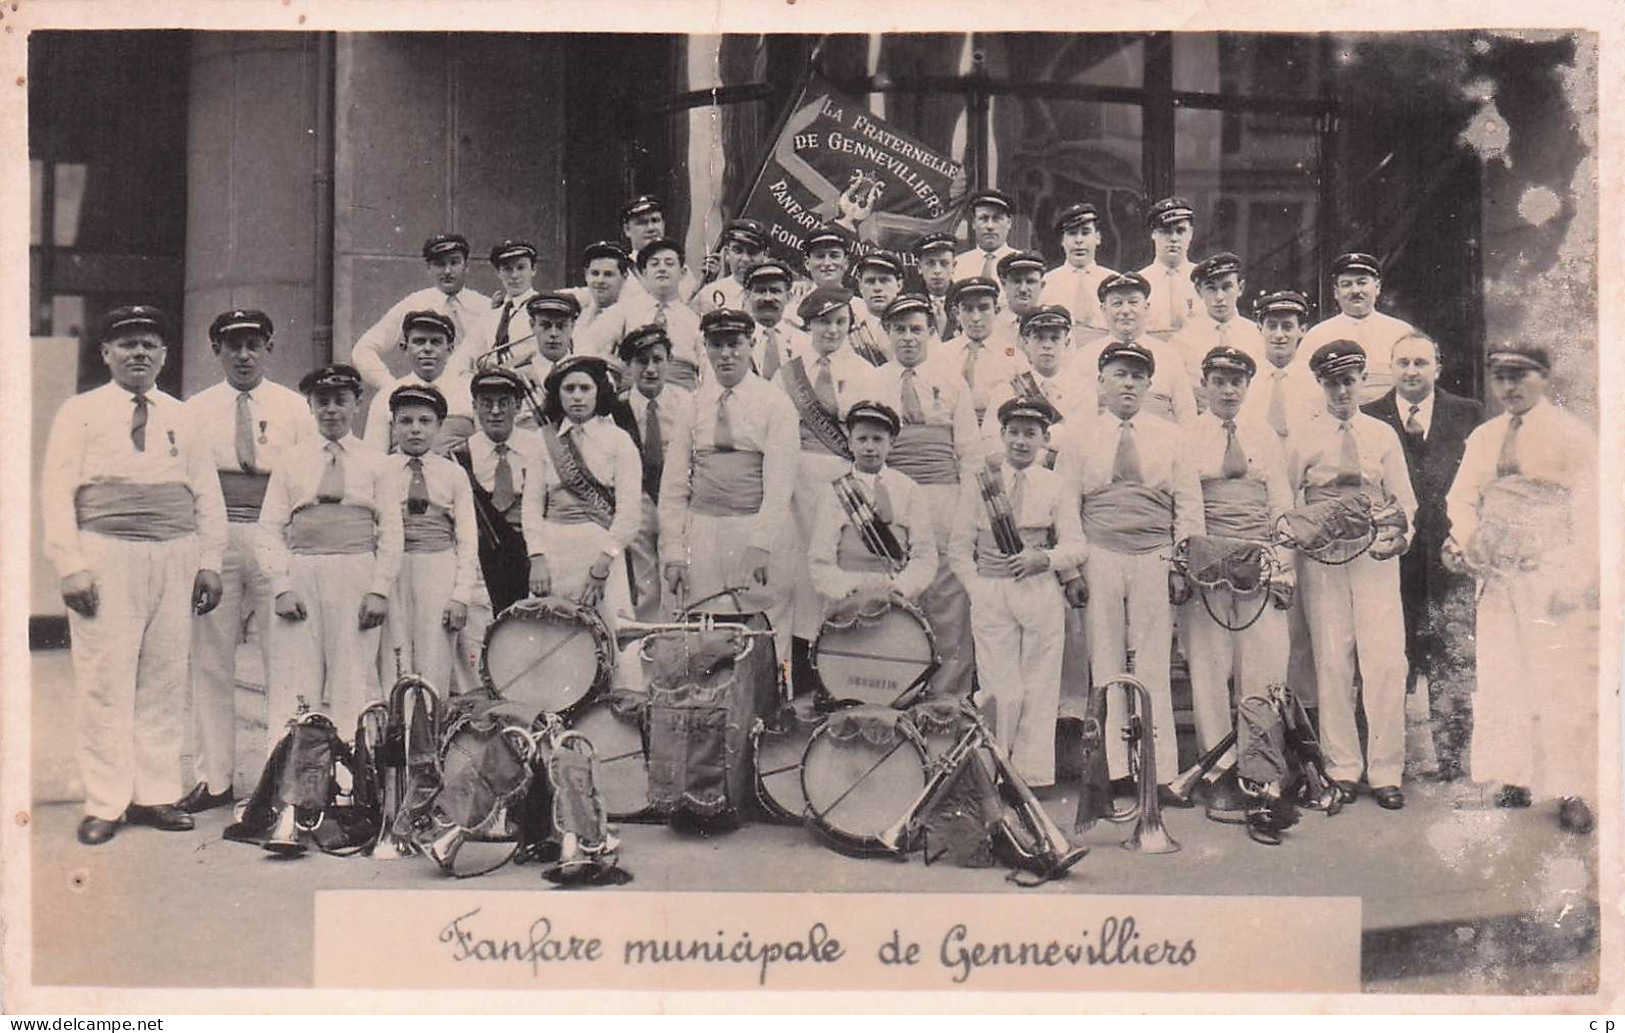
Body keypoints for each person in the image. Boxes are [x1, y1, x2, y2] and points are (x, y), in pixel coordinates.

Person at [42, 305, 227, 845]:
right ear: (106, 354)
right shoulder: (80, 412)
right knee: (106, 678)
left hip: (174, 552)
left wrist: (209, 562)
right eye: (127, 344)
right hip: (106, 553)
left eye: (149, 344)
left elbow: (205, 494)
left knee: (165, 677)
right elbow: (57, 493)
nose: (139, 353)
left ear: (164, 355)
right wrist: (70, 566)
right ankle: (107, 800)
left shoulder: (183, 415)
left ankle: (156, 793)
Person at [1444, 345, 1598, 833]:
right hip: (1497, 575)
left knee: (1557, 678)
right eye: (1499, 377)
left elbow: (1592, 513)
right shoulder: (1484, 436)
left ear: (1544, 376)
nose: (1508, 387)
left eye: (1519, 376)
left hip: (1547, 569)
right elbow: (1462, 497)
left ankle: (1570, 788)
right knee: (1501, 675)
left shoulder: (1572, 436)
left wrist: (1574, 577)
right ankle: (1511, 777)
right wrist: (1468, 541)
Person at [179, 308, 315, 814]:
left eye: (253, 344)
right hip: (216, 536)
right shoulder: (194, 410)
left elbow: (309, 473)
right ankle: (213, 779)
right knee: (211, 659)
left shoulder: (295, 407)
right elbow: (191, 482)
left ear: (269, 347)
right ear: (216, 350)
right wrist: (203, 552)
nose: (243, 355)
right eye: (232, 345)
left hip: (274, 536)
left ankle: (276, 781)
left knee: (285, 657)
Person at [1056, 340, 1203, 796]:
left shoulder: (1172, 436)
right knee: (1105, 660)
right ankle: (1114, 770)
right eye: (1119, 374)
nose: (1128, 383)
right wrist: (1072, 571)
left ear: (1148, 385)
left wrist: (1180, 563)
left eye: (1137, 376)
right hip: (1100, 553)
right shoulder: (1078, 437)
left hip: (1154, 554)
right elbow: (1065, 506)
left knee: (1153, 661)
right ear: (1101, 382)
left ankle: (1158, 774)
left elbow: (1188, 503)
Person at [1289, 341, 1416, 810]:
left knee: (1384, 661)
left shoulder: (1382, 435)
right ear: (1320, 384)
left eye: (1349, 380)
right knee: (1331, 659)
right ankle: (1342, 768)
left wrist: (1399, 535)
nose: (1341, 390)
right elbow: (1288, 499)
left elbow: (1404, 498)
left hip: (1374, 555)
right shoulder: (1303, 436)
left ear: (1363, 381)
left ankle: (1386, 771)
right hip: (1323, 558)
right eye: (1331, 382)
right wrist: (1305, 536)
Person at [257, 364, 403, 744]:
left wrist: (379, 590)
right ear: (310, 405)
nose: (332, 410)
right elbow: (270, 528)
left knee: (352, 679)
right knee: (295, 683)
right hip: (303, 571)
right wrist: (281, 586)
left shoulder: (377, 463)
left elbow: (391, 532)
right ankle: (289, 786)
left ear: (357, 403)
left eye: (341, 400)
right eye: (322, 401)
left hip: (356, 572)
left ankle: (348, 784)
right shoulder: (291, 461)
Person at [1361, 332, 1484, 780]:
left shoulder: (1468, 415)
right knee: (1388, 658)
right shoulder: (1369, 416)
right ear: (1390, 369)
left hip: (1450, 558)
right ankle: (1380, 765)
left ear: (1438, 367)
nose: (1411, 372)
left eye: (1420, 363)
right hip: (1390, 560)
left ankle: (1453, 762)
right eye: (1403, 363)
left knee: (1452, 656)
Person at [949, 396, 1087, 788]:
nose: (1021, 442)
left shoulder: (1056, 485)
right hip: (992, 591)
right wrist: (978, 588)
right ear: (1002, 435)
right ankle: (994, 771)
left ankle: (1031, 776)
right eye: (1013, 432)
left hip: (1040, 590)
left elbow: (1077, 546)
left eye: (1031, 434)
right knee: (999, 689)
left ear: (1045, 439)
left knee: (1040, 686)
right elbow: (959, 549)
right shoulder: (981, 483)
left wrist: (1043, 560)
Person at [1176, 347, 1294, 778]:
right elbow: (1186, 504)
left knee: (1262, 669)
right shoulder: (1187, 436)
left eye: (1237, 381)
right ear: (1205, 385)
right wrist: (1188, 564)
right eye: (1219, 381)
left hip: (1259, 562)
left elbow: (1281, 504)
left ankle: (1259, 767)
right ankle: (1218, 769)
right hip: (1209, 563)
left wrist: (1283, 569)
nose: (1228, 390)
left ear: (1247, 386)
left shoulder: (1263, 436)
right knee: (1208, 669)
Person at [659, 307, 800, 659]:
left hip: (754, 532)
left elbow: (780, 485)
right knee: (700, 632)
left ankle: (767, 708)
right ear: (704, 347)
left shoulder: (775, 403)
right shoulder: (692, 405)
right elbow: (674, 487)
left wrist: (761, 544)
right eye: (716, 344)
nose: (726, 354)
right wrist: (675, 553)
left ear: (751, 343)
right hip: (702, 534)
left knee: (762, 634)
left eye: (734, 343)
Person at [870, 294, 982, 699]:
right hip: (893, 498)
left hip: (943, 497)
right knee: (895, 593)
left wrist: (966, 512)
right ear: (887, 334)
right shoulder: (874, 380)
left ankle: (947, 700)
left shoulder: (951, 380)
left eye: (916, 329)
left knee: (948, 599)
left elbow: (969, 452)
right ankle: (895, 695)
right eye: (898, 329)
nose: (908, 338)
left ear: (931, 332)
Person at [776, 287, 882, 655]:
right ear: (808, 324)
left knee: (839, 564)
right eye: (824, 322)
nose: (832, 330)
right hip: (796, 481)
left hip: (844, 481)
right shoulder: (788, 373)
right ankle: (801, 666)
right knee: (800, 572)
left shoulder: (866, 372)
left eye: (840, 322)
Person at [522, 356, 643, 644]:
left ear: (599, 391)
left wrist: (602, 566)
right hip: (554, 555)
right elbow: (531, 506)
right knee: (549, 638)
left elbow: (628, 516)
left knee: (610, 639)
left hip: (601, 553)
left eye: (585, 388)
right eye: (569, 388)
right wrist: (537, 557)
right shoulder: (542, 440)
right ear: (558, 394)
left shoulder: (618, 441)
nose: (577, 396)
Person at [378, 384, 478, 694]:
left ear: (438, 426)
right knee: (394, 661)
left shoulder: (453, 474)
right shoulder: (380, 470)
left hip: (438, 569)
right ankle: (398, 738)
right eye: (405, 421)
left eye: (425, 421)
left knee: (434, 662)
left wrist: (461, 595)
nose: (415, 430)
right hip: (392, 571)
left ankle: (430, 739)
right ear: (394, 426)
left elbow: (467, 538)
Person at [451, 368, 543, 690]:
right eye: (486, 402)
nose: (494, 411)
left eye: (504, 402)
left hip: (530, 560)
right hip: (483, 563)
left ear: (518, 406)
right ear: (474, 405)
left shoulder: (539, 449)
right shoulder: (460, 456)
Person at [807, 401, 937, 607]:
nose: (869, 447)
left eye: (878, 439)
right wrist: (846, 589)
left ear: (891, 443)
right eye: (862, 439)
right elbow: (820, 559)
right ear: (850, 442)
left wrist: (902, 588)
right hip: (847, 598)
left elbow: (925, 556)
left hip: (896, 597)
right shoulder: (834, 492)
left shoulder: (909, 489)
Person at [349, 233, 492, 392]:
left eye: (454, 262)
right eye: (439, 264)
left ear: (466, 266)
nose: (447, 271)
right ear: (428, 268)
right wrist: (390, 386)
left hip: (473, 397)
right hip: (427, 399)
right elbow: (363, 349)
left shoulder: (485, 307)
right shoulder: (414, 304)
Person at [620, 325, 694, 621]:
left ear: (669, 360)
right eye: (641, 361)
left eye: (658, 359)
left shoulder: (687, 403)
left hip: (678, 501)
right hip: (639, 503)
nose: (650, 369)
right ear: (628, 365)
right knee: (644, 587)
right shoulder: (617, 408)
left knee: (679, 578)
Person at [577, 238, 704, 389]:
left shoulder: (694, 319)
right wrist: (615, 370)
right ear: (644, 273)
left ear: (682, 273)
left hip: (682, 394)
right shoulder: (626, 310)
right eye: (654, 264)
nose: (662, 269)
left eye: (669, 264)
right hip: (634, 394)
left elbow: (706, 366)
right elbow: (586, 346)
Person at [1074, 272, 1198, 425]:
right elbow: (1077, 421)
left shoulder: (1169, 355)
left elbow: (1187, 415)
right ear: (1103, 309)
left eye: (1133, 302)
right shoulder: (1084, 357)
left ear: (1146, 307)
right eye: (1117, 303)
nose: (1125, 311)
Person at [1297, 253, 1416, 404]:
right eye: (1347, 284)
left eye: (1362, 283)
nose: (1355, 291)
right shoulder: (1318, 335)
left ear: (1377, 287)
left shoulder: (1402, 332)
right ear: (1336, 292)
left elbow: (1414, 382)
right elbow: (1304, 388)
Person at [361, 310, 475, 451]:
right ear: (405, 348)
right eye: (419, 342)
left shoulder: (469, 392)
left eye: (436, 342)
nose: (427, 349)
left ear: (450, 348)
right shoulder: (385, 397)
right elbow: (374, 458)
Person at [1171, 252, 1266, 410]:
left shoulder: (1257, 335)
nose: (1219, 297)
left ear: (1240, 288)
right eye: (1211, 288)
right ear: (1199, 291)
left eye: (1226, 287)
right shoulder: (1182, 341)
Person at [936, 276, 1032, 426]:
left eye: (983, 308)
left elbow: (1030, 402)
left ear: (997, 310)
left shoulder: (1013, 356)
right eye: (967, 309)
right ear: (956, 313)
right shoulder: (941, 354)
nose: (975, 317)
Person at [1040, 202, 1116, 342]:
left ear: (1097, 238)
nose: (1079, 240)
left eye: (1085, 233)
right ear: (1062, 241)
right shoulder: (1046, 284)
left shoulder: (1114, 282)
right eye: (1072, 234)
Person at [613, 194, 699, 305]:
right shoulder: (621, 269)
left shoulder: (679, 267)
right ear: (627, 230)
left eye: (655, 221)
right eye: (642, 223)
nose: (651, 228)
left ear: (663, 224)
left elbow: (692, 306)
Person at [1136, 197, 1201, 338]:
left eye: (1180, 231)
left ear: (1190, 234)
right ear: (1153, 234)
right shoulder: (1139, 283)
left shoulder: (1205, 282)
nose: (1173, 238)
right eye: (1166, 231)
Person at [743, 260, 808, 380]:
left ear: (788, 297)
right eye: (760, 291)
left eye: (775, 291)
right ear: (747, 296)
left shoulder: (804, 341)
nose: (768, 298)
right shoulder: (738, 339)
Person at [695, 218, 769, 315]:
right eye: (738, 251)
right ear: (727, 254)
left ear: (765, 255)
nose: (745, 259)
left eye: (752, 252)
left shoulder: (774, 297)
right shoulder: (710, 293)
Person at [565, 240, 632, 337]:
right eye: (595, 273)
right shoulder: (581, 310)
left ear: (624, 277)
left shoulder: (631, 316)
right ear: (586, 274)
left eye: (608, 274)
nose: (600, 280)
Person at [849, 251, 904, 366]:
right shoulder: (849, 321)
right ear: (860, 286)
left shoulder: (915, 320)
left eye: (884, 281)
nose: (877, 288)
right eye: (870, 281)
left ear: (899, 285)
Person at [487, 239, 539, 359]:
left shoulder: (542, 311)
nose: (514, 275)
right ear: (498, 273)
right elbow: (464, 355)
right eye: (507, 269)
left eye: (521, 268)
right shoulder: (489, 316)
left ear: (533, 269)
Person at [953, 188, 1018, 283]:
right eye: (983, 218)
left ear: (1009, 223)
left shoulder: (1020, 264)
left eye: (997, 219)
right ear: (974, 223)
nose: (990, 226)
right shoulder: (958, 265)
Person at [991, 250, 1048, 348]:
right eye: (1016, 281)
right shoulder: (990, 327)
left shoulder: (1054, 326)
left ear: (1042, 285)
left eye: (1030, 282)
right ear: (1004, 284)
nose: (1023, 289)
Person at [912, 231, 960, 340]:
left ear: (954, 266)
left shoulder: (964, 300)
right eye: (930, 263)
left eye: (944, 263)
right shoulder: (911, 301)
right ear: (919, 267)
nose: (937, 271)